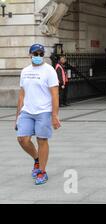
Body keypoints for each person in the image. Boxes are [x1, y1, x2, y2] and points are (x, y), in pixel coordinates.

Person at [15, 44, 61, 185]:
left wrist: (54, 115)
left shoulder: (49, 71)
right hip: (27, 111)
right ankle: (36, 159)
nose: (38, 56)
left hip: (44, 112)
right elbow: (22, 94)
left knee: (42, 140)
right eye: (35, 54)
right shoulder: (25, 71)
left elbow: (55, 95)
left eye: (41, 54)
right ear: (30, 55)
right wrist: (17, 116)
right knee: (22, 139)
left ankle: (42, 171)